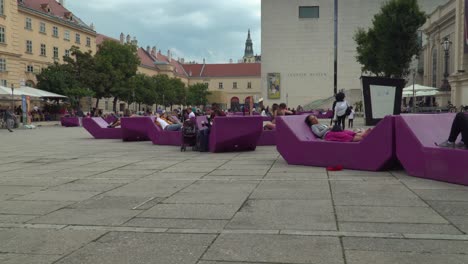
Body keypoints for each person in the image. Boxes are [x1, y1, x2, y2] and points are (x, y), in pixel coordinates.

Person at [305, 115, 371, 142]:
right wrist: (328, 128)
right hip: (328, 135)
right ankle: (364, 138)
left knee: (347, 132)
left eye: (314, 117)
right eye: (312, 119)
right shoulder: (313, 126)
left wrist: (330, 127)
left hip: (332, 131)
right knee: (344, 136)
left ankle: (363, 134)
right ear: (311, 122)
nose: (315, 118)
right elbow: (319, 134)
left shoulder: (320, 124)